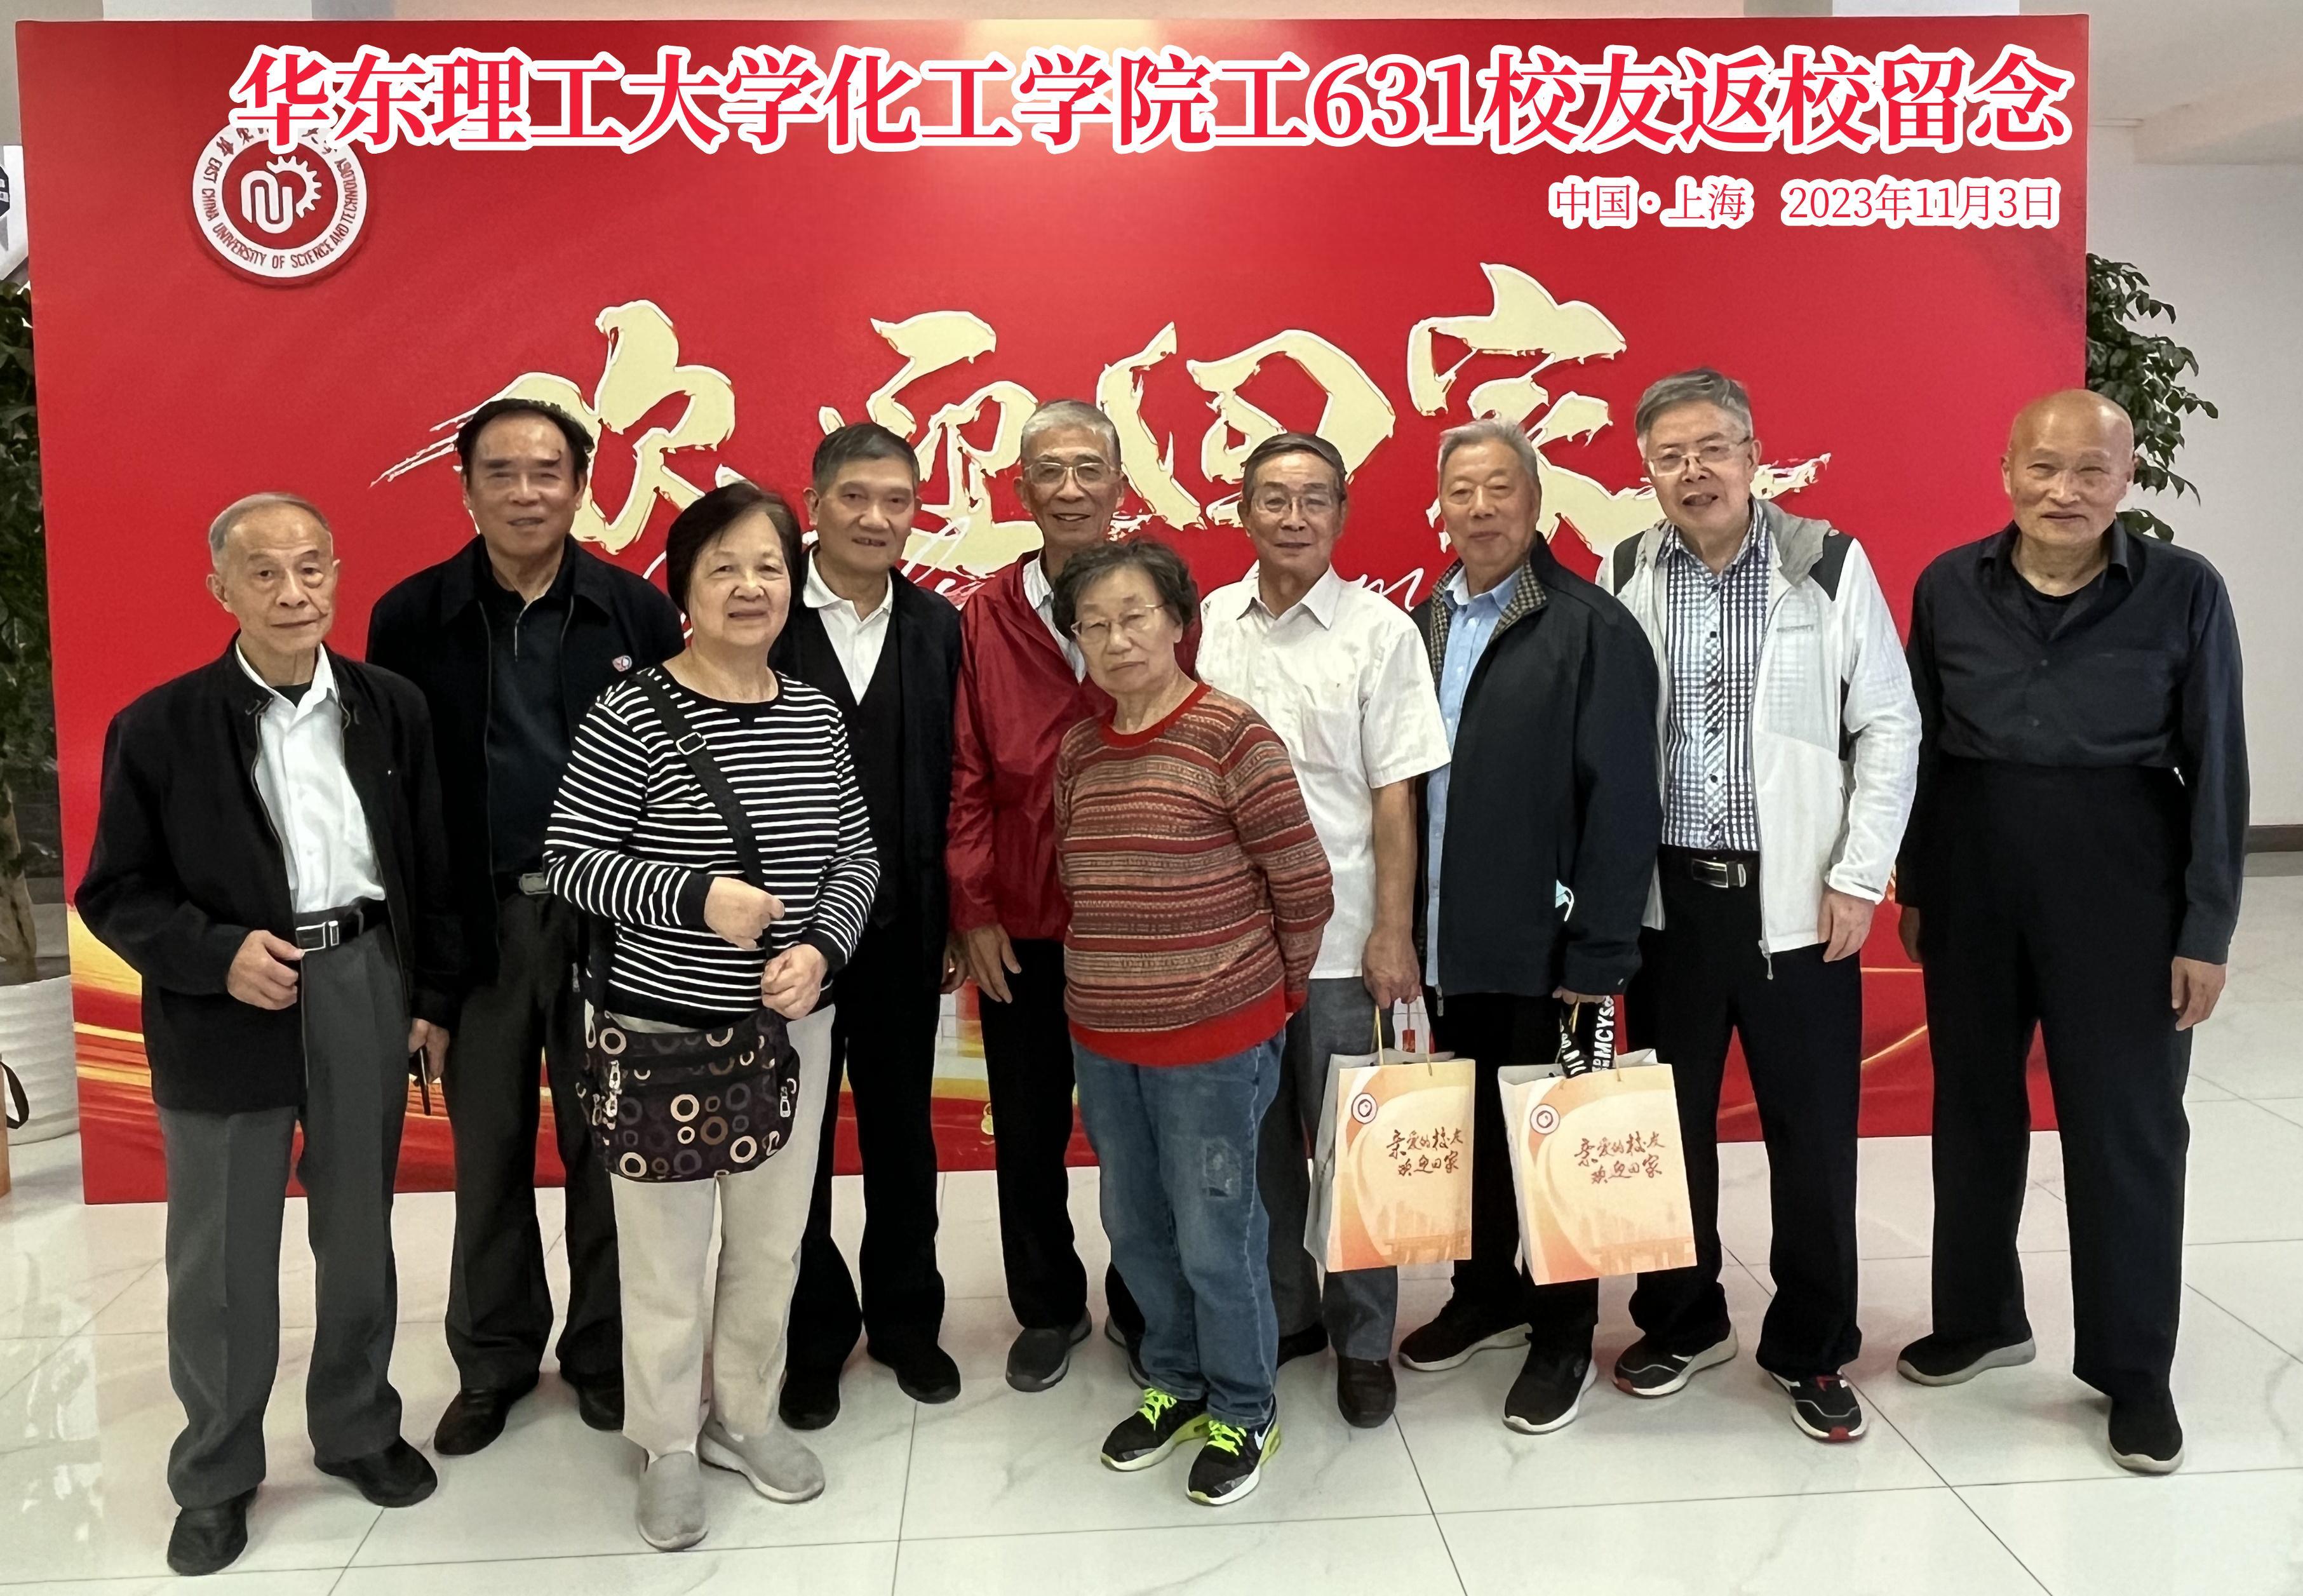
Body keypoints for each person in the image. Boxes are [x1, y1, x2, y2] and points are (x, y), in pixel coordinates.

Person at [79, 494, 460, 1576]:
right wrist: (216, 955)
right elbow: (116, 891)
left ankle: (357, 1424)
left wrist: (430, 995)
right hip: (226, 1000)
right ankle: (215, 1471)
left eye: (310, 568)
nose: (294, 593)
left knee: (359, 1224)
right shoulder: (161, 725)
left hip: (363, 978)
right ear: (222, 589)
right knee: (221, 1256)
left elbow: (428, 859)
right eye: (264, 573)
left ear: (335, 572)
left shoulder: (390, 707)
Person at [1895, 389, 2247, 1475]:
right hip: (1974, 872)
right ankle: (1979, 1317)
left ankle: (2133, 1371)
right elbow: (1921, 745)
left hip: (2124, 881)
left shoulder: (2184, 589)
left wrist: (2205, 926)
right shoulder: (1948, 585)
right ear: (2005, 470)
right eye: (2043, 467)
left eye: (2091, 470)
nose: (2064, 490)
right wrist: (1916, 881)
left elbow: (2218, 762)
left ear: (2124, 479)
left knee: (2125, 1127)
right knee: (1972, 1106)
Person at [544, 481, 880, 1549]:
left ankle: (744, 1416)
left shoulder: (814, 712)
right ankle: (667, 1443)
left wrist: (822, 949)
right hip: (661, 1035)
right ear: (683, 587)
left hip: (791, 1030)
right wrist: (698, 900)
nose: (748, 586)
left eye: (769, 566)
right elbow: (571, 863)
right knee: (664, 1262)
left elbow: (855, 853)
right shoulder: (632, 712)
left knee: (771, 1246)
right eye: (723, 566)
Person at [1595, 370, 1920, 1443]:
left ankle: (1811, 1344)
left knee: (1811, 1137)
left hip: (1794, 905)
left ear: (1751, 453)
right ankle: (1682, 1320)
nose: (1693, 471)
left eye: (1712, 448)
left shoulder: (1823, 562)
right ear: (1647, 472)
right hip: (1667, 905)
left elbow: (1888, 723)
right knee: (1666, 1129)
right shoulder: (1626, 568)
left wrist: (1857, 875)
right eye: (1669, 456)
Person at [368, 397, 684, 1455]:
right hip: (481, 926)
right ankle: (495, 1360)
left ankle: (603, 1354)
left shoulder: (635, 612)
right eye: (500, 472)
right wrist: (424, 974)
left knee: (610, 1150)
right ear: (466, 488)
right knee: (489, 1150)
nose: (525, 491)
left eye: (547, 471)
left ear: (580, 487)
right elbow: (399, 804)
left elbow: (672, 783)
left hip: (612, 928)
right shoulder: (411, 618)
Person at [1053, 537, 1333, 1506]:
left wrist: (1273, 996)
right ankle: (1173, 1381)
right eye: (1094, 624)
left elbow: (1303, 885)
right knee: (1135, 1228)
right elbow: (1080, 883)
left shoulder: (1232, 736)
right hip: (1104, 1038)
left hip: (1215, 1043)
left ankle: (1244, 1405)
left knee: (1218, 1234)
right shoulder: (1080, 749)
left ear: (1178, 621)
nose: (1116, 639)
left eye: (1134, 615)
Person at [1402, 419, 1662, 1435]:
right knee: (1469, 1135)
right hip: (1447, 938)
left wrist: (1598, 950)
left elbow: (1623, 804)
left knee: (1555, 1142)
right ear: (1440, 506)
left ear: (1535, 499)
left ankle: (1561, 1337)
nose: (1479, 508)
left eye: (1498, 488)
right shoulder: (1421, 621)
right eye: (1460, 491)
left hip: (1549, 946)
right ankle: (1485, 1294)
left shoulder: (1590, 627)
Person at [1196, 431, 1449, 1428]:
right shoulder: (1208, 625)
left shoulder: (1380, 633)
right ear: (1242, 512)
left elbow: (1396, 796)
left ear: (1340, 515)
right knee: (1256, 1151)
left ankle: (1363, 1339)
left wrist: (1393, 928)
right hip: (1230, 945)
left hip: (1343, 943)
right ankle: (1288, 1314)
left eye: (1313, 499)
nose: (1292, 516)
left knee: (1356, 1151)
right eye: (1273, 498)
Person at [946, 398, 1146, 1392]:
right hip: (1021, 920)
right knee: (1025, 1128)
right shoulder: (983, 615)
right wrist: (974, 906)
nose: (1070, 489)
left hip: (1135, 918)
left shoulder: (1155, 598)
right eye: (1050, 471)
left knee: (1138, 1131)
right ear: (1020, 488)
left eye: (1088, 469)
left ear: (1119, 485)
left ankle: (1147, 1301)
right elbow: (965, 768)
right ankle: (1047, 1304)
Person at [774, 422, 964, 1426]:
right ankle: (811, 1335)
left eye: (896, 500)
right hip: (786, 942)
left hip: (904, 930)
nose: (876, 518)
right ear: (813, 504)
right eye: (855, 496)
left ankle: (905, 1319)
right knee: (792, 1145)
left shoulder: (939, 627)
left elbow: (959, 782)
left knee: (901, 1134)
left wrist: (955, 914)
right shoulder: (764, 611)